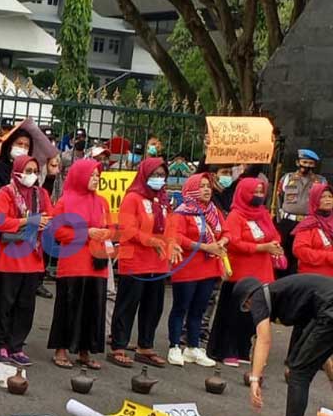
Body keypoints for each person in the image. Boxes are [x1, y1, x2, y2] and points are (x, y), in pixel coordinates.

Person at [237, 274, 333, 416]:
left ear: (247, 298)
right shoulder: (289, 295)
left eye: (246, 307)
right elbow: (313, 342)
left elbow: (264, 339)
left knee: (299, 374)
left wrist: (255, 379)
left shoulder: (259, 297)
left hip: (329, 312)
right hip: (327, 311)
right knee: (300, 368)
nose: (251, 312)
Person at [109, 157, 177, 368]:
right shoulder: (133, 198)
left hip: (158, 262)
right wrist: (151, 240)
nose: (159, 179)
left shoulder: (164, 200)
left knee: (154, 306)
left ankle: (145, 346)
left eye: (162, 175)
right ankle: (118, 346)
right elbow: (128, 229)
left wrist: (172, 243)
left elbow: (171, 226)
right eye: (155, 175)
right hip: (135, 260)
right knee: (128, 304)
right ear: (144, 175)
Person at [47, 158, 114, 370]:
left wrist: (108, 236)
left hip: (97, 264)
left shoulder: (102, 202)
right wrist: (86, 233)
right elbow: (57, 231)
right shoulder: (66, 201)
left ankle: (85, 351)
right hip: (74, 263)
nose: (95, 180)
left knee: (92, 309)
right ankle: (61, 349)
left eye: (98, 176)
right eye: (92, 175)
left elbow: (110, 226)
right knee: (69, 307)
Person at [208, 177, 283, 367]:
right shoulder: (236, 215)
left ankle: (243, 348)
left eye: (261, 192)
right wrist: (261, 247)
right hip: (241, 273)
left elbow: (275, 234)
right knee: (233, 314)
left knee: (253, 316)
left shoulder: (263, 214)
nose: (258, 195)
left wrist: (274, 244)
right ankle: (226, 350)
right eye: (255, 192)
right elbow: (234, 242)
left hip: (262, 272)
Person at [0, 155, 51, 366]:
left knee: (26, 305)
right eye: (28, 170)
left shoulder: (40, 194)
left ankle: (16, 345)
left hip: (33, 258)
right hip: (9, 258)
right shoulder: (5, 193)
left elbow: (49, 217)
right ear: (17, 171)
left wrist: (45, 223)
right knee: (4, 304)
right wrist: (29, 221)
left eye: (35, 170)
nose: (31, 175)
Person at [165, 173, 228, 367]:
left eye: (208, 186)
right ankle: (174, 346)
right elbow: (178, 236)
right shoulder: (182, 212)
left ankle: (193, 347)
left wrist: (222, 242)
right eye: (201, 186)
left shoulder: (214, 211)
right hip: (188, 267)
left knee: (198, 310)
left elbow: (226, 231)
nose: (207, 190)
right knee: (181, 307)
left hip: (208, 268)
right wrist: (205, 247)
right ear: (191, 189)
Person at [276, 150, 326, 278]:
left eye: (310, 163)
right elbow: (278, 198)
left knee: (302, 254)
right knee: (283, 253)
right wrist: (279, 218)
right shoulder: (286, 178)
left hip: (308, 223)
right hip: (288, 222)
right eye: (304, 162)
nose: (307, 166)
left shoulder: (321, 181)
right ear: (297, 162)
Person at [292, 184, 333, 276]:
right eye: (322, 197)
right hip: (314, 278)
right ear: (315, 200)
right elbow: (299, 250)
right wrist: (328, 256)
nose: (328, 199)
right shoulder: (308, 224)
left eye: (330, 196)